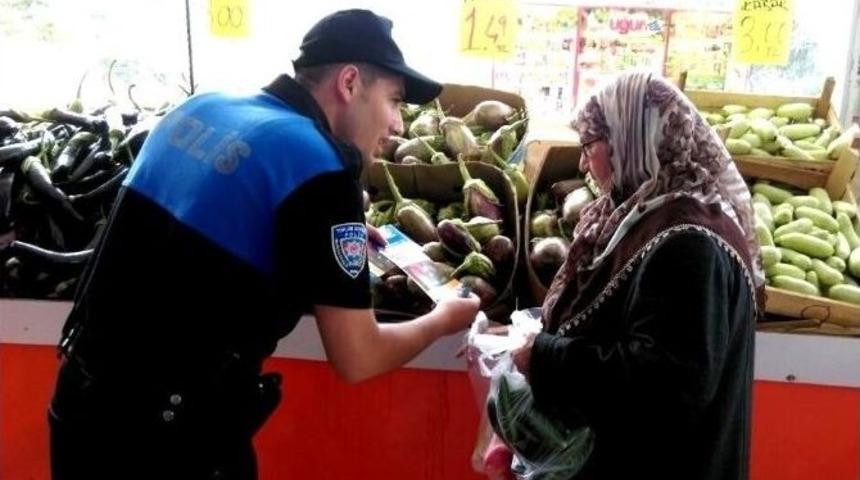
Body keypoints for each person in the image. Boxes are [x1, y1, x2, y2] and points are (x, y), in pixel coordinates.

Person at [48, 9, 479, 480]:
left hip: (79, 407)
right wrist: (442, 321)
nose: (397, 123)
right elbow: (360, 357)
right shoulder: (323, 168)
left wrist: (325, 240)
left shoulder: (200, 107)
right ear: (350, 82)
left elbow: (199, 236)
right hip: (167, 445)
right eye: (394, 100)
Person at [512, 71, 765, 479]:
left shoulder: (689, 244)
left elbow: (664, 386)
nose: (582, 163)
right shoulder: (656, 218)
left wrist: (545, 356)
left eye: (590, 145)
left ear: (631, 140)